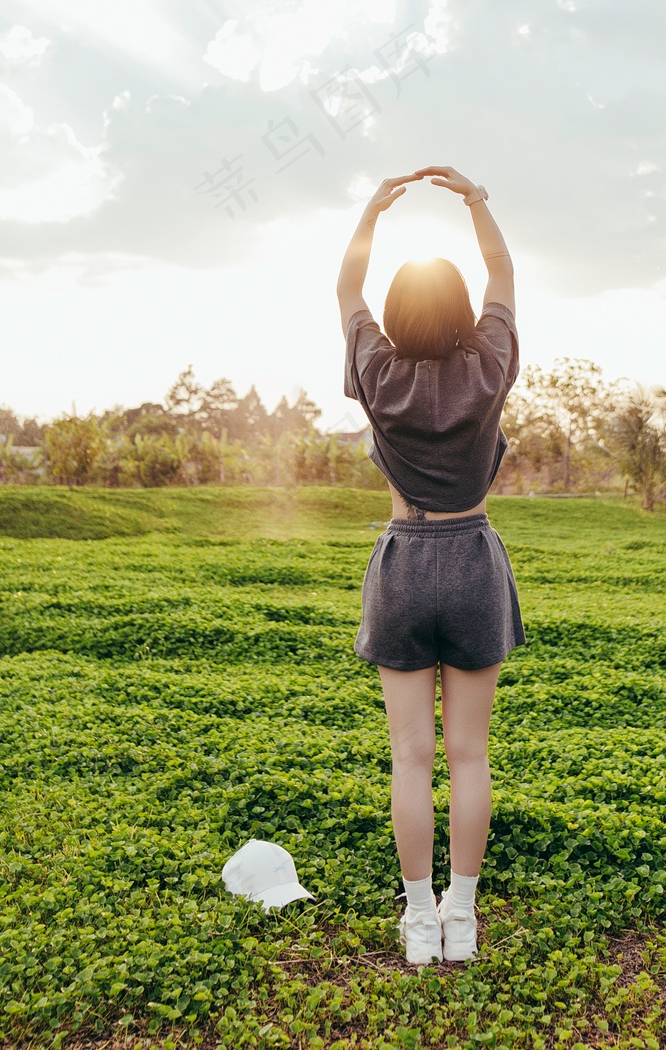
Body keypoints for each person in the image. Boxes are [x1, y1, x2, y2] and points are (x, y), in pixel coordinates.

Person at [336, 165, 526, 966]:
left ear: (395, 315)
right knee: (469, 755)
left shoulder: (377, 373)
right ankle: (462, 917)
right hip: (474, 557)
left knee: (410, 755)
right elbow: (504, 278)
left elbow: (347, 286)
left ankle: (419, 921)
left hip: (405, 563)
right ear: (461, 316)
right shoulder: (487, 369)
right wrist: (478, 201)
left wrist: (371, 213)